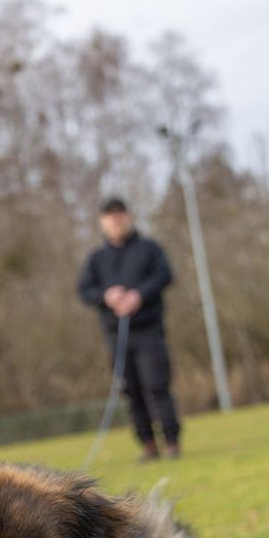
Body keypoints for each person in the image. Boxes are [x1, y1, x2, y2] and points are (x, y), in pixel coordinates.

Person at [78, 196, 181, 460]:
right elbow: (85, 290)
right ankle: (147, 444)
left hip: (149, 331)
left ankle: (171, 441)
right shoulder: (96, 259)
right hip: (116, 337)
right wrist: (106, 296)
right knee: (130, 390)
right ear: (102, 222)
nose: (116, 220)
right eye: (110, 216)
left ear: (128, 216)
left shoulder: (149, 249)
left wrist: (139, 294)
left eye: (120, 214)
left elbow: (164, 275)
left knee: (156, 386)